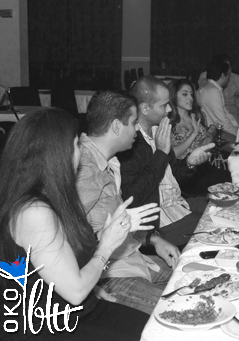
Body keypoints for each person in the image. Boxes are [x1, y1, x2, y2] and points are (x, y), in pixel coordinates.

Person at [0, 108, 154, 340]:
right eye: (76, 144)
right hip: (47, 326)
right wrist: (107, 246)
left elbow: (64, 267)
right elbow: (75, 291)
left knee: (158, 325)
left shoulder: (53, 196)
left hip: (75, 310)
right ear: (57, 154)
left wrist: (110, 233)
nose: (81, 152)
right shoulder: (33, 211)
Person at [76, 90, 177, 315]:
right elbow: (66, 235)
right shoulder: (86, 168)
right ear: (116, 126)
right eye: (133, 123)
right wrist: (89, 288)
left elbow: (115, 221)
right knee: (181, 312)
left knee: (196, 280)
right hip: (112, 275)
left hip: (135, 261)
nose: (136, 130)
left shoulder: (109, 162)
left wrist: (152, 238)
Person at [118, 76, 214, 247]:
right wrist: (161, 153)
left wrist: (189, 163)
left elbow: (170, 173)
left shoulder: (157, 131)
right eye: (164, 105)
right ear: (145, 108)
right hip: (158, 218)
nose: (169, 109)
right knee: (215, 227)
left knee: (222, 208)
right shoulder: (130, 143)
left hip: (177, 203)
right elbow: (132, 196)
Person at [168, 79, 231, 196]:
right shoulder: (169, 122)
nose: (190, 98)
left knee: (230, 178)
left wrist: (209, 136)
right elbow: (172, 155)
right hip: (183, 172)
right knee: (220, 183)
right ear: (173, 96)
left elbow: (203, 148)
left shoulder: (197, 116)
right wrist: (193, 134)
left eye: (191, 94)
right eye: (185, 94)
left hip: (203, 166)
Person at [197, 58, 239, 141]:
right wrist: (238, 135)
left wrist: (237, 129)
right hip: (213, 134)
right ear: (223, 75)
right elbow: (222, 122)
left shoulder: (210, 87)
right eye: (229, 75)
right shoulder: (212, 91)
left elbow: (226, 113)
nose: (229, 78)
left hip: (216, 131)